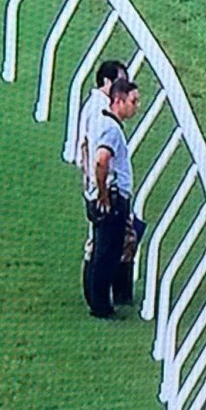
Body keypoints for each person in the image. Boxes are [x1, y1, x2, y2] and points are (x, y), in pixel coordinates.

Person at [85, 78, 140, 319]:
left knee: (100, 251)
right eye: (133, 101)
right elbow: (101, 160)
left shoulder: (102, 121)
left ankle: (98, 300)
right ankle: (100, 307)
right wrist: (105, 195)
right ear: (118, 100)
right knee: (106, 255)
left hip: (104, 195)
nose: (136, 107)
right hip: (112, 200)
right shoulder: (111, 129)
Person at [76, 59, 127, 307]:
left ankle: (111, 296)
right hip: (103, 188)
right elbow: (98, 156)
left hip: (95, 185)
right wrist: (101, 191)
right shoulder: (100, 110)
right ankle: (101, 303)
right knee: (102, 248)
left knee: (104, 244)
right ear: (107, 82)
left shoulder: (94, 106)